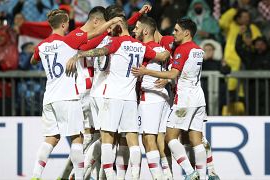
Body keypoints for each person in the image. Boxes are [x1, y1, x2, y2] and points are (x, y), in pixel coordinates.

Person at [65, 16, 169, 180]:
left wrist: (80, 55)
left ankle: (110, 176)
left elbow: (100, 51)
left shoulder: (117, 42)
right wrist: (173, 46)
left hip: (113, 97)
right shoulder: (140, 46)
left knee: (107, 139)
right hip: (130, 100)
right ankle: (134, 176)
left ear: (118, 27)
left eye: (113, 27)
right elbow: (163, 57)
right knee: (133, 141)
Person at [30, 9, 122, 180]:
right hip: (67, 96)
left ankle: (36, 175)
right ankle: (78, 177)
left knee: (50, 138)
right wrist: (111, 23)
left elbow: (33, 60)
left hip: (49, 97)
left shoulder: (41, 46)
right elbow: (95, 32)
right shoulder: (68, 41)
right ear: (64, 24)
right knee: (77, 138)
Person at [132, 18, 206, 180]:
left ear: (187, 33)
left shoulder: (180, 49)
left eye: (177, 30)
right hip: (198, 98)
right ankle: (204, 175)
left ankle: (189, 172)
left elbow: (173, 73)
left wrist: (146, 71)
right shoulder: (198, 50)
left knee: (168, 137)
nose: (173, 34)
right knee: (196, 139)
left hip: (181, 99)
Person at [133, 16, 172, 180]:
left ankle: (158, 177)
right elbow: (170, 69)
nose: (134, 31)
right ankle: (168, 176)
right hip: (164, 98)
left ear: (146, 31)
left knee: (148, 140)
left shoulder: (142, 49)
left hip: (149, 96)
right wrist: (168, 79)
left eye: (137, 28)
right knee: (161, 140)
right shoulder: (161, 49)